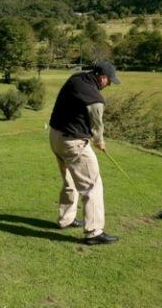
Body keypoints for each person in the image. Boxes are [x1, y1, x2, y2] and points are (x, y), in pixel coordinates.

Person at [48, 61, 120, 245]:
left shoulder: (77, 78)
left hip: (56, 136)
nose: (109, 84)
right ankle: (94, 232)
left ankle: (67, 219)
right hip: (73, 142)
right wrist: (99, 141)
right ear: (102, 77)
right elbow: (97, 123)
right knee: (92, 185)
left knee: (70, 180)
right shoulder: (95, 98)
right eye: (109, 81)